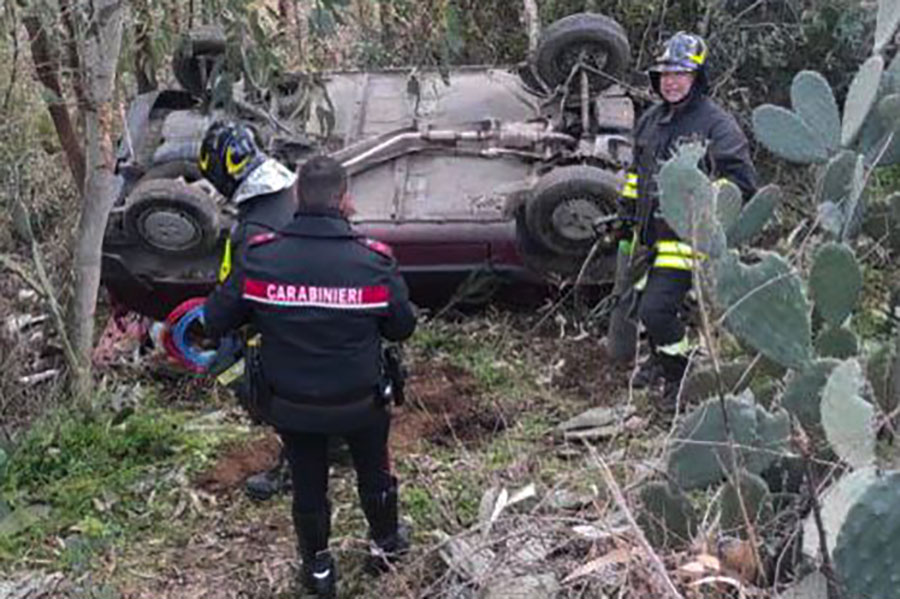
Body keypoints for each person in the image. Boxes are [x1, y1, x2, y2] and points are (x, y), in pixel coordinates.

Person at [202, 154, 417, 598]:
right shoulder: (372, 261)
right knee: (374, 471)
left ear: (297, 195)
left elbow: (216, 319)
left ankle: (318, 570)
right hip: (360, 402)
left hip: (292, 404)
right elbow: (401, 327)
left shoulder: (261, 257)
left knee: (308, 482)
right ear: (345, 200)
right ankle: (385, 546)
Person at [617, 32, 758, 410]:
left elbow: (742, 183)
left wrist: (701, 206)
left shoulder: (717, 125)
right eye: (665, 74)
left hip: (687, 240)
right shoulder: (651, 120)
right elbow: (637, 174)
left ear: (698, 78)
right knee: (642, 301)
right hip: (650, 237)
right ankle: (659, 361)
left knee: (656, 309)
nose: (672, 81)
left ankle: (679, 382)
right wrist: (625, 212)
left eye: (681, 73)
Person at [198, 120, 299, 499]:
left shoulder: (254, 230)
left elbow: (229, 305)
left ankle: (297, 447)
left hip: (291, 340)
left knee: (227, 364)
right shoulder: (291, 192)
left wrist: (210, 320)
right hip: (335, 323)